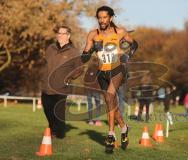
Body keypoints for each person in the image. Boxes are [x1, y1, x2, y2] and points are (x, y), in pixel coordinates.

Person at [80, 6, 138, 152]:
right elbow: (84, 57)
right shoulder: (93, 34)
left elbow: (134, 44)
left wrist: (127, 56)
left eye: (105, 17)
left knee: (110, 96)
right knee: (111, 103)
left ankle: (111, 135)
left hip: (117, 70)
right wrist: (92, 49)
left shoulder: (120, 32)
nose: (102, 20)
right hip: (102, 72)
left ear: (110, 18)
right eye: (99, 17)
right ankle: (124, 128)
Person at [41, 25, 82, 138]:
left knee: (58, 112)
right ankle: (53, 128)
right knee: (47, 109)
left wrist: (69, 78)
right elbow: (46, 63)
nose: (59, 35)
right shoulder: (50, 48)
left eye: (62, 33)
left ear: (68, 36)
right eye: (58, 33)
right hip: (46, 85)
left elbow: (79, 69)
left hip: (61, 87)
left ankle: (59, 132)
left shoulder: (73, 52)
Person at [84, 57, 102, 126]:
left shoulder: (91, 70)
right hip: (94, 90)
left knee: (91, 105)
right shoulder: (98, 70)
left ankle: (92, 120)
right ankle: (95, 120)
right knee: (96, 105)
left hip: (91, 90)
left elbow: (85, 80)